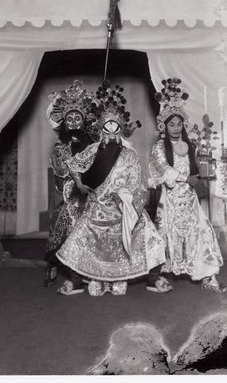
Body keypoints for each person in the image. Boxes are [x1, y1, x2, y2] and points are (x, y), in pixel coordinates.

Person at [56, 82, 170, 296]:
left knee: (151, 237)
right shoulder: (92, 150)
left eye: (114, 128)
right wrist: (79, 185)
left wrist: (127, 198)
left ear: (120, 130)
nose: (110, 133)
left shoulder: (130, 155)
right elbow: (73, 164)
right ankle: (79, 281)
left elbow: (137, 182)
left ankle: (152, 279)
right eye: (106, 128)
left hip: (122, 209)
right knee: (76, 239)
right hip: (97, 207)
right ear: (101, 130)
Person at [148, 77, 226, 293]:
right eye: (171, 124)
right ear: (164, 125)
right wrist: (185, 179)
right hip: (170, 201)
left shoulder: (189, 145)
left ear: (183, 124)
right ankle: (156, 278)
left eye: (178, 123)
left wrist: (197, 176)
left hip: (189, 200)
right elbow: (161, 169)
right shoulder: (159, 148)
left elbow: (196, 170)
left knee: (202, 231)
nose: (175, 127)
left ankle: (207, 275)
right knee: (164, 236)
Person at [43, 80, 97, 287]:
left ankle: (90, 270)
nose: (74, 121)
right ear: (64, 121)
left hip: (89, 191)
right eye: (70, 118)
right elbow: (63, 169)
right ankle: (64, 268)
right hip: (68, 191)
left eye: (78, 118)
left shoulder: (91, 142)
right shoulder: (60, 145)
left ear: (83, 121)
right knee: (67, 229)